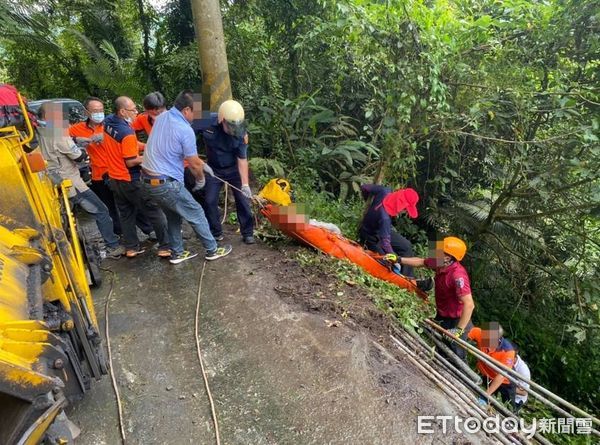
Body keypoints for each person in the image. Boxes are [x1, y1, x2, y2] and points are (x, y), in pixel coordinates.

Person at [141, 90, 232, 264]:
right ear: (187, 111)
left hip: (147, 181)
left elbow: (175, 149)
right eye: (198, 113)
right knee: (196, 212)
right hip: (164, 182)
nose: (200, 117)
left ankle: (177, 252)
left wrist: (202, 164)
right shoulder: (185, 129)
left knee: (174, 215)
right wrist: (201, 179)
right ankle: (212, 249)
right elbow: (194, 164)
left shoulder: (161, 118)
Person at [37, 101, 124, 258]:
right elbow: (77, 156)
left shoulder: (40, 132)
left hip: (54, 180)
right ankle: (112, 246)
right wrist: (83, 149)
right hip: (71, 182)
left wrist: (76, 140)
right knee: (101, 211)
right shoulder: (57, 133)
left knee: (68, 217)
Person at [103, 96, 170, 258]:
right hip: (131, 181)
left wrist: (146, 146)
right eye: (133, 109)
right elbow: (131, 161)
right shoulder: (127, 133)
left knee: (126, 215)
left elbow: (126, 146)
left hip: (115, 179)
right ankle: (166, 247)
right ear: (122, 111)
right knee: (154, 211)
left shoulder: (108, 123)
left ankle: (131, 248)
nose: (136, 112)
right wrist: (152, 156)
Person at [397, 236, 475, 359]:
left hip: (457, 320)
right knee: (441, 347)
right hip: (443, 315)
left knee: (455, 355)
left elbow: (469, 304)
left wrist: (458, 330)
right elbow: (421, 262)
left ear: (448, 257)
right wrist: (398, 259)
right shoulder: (440, 262)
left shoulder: (457, 276)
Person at [192, 100, 255, 244]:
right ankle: (216, 232)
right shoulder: (206, 120)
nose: (234, 130)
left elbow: (242, 159)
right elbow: (186, 132)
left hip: (234, 169)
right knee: (209, 200)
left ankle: (248, 232)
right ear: (222, 120)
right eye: (231, 126)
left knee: (243, 200)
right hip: (213, 169)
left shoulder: (241, 131)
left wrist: (245, 184)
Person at [358, 184, 419, 277]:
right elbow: (385, 244)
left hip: (381, 230)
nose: (405, 211)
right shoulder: (385, 218)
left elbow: (364, 187)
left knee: (406, 246)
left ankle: (408, 277)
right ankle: (400, 278)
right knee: (387, 262)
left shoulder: (385, 191)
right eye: (405, 209)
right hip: (370, 235)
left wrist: (368, 201)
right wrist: (394, 258)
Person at [467, 322, 518, 410]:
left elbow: (501, 375)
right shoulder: (480, 333)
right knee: (485, 404)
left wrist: (486, 395)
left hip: (505, 383)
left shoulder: (508, 351)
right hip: (487, 376)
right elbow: (464, 333)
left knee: (507, 408)